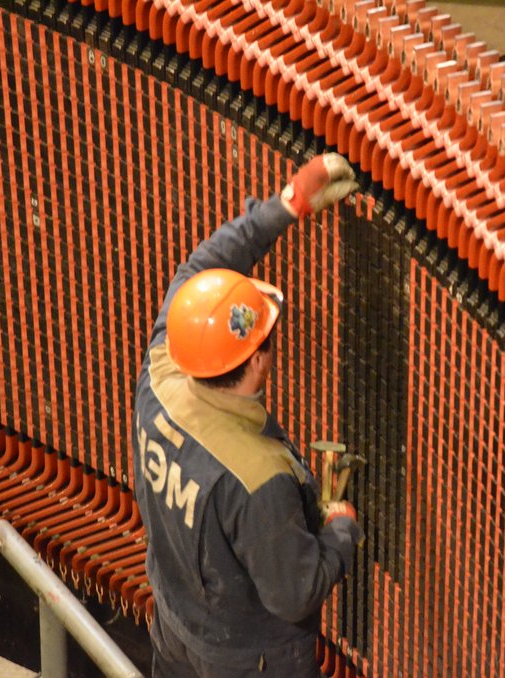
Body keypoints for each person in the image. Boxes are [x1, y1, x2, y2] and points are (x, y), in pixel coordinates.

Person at [132, 154, 363, 677]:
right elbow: (294, 592)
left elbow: (199, 270)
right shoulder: (256, 477)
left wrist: (286, 206)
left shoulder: (160, 374)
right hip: (251, 661)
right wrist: (341, 532)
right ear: (258, 362)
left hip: (175, 626)